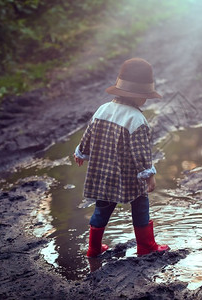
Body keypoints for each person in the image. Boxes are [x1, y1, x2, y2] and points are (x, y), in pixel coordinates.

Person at [74, 57, 170, 257]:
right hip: (128, 177)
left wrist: (81, 152)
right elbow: (141, 154)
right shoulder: (137, 119)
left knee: (102, 208)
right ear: (138, 97)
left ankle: (93, 249)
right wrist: (149, 175)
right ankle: (145, 246)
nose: (145, 101)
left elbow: (88, 134)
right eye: (145, 97)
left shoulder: (103, 109)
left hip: (103, 173)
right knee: (141, 204)